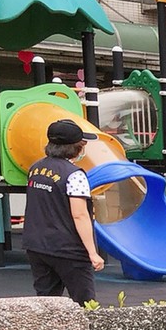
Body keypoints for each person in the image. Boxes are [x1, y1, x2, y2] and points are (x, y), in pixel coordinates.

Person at [23, 117, 105, 303]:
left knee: (47, 304)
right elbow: (80, 214)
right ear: (77, 146)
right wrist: (92, 252)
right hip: (68, 249)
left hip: (37, 245)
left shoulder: (35, 168)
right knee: (85, 303)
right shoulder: (74, 175)